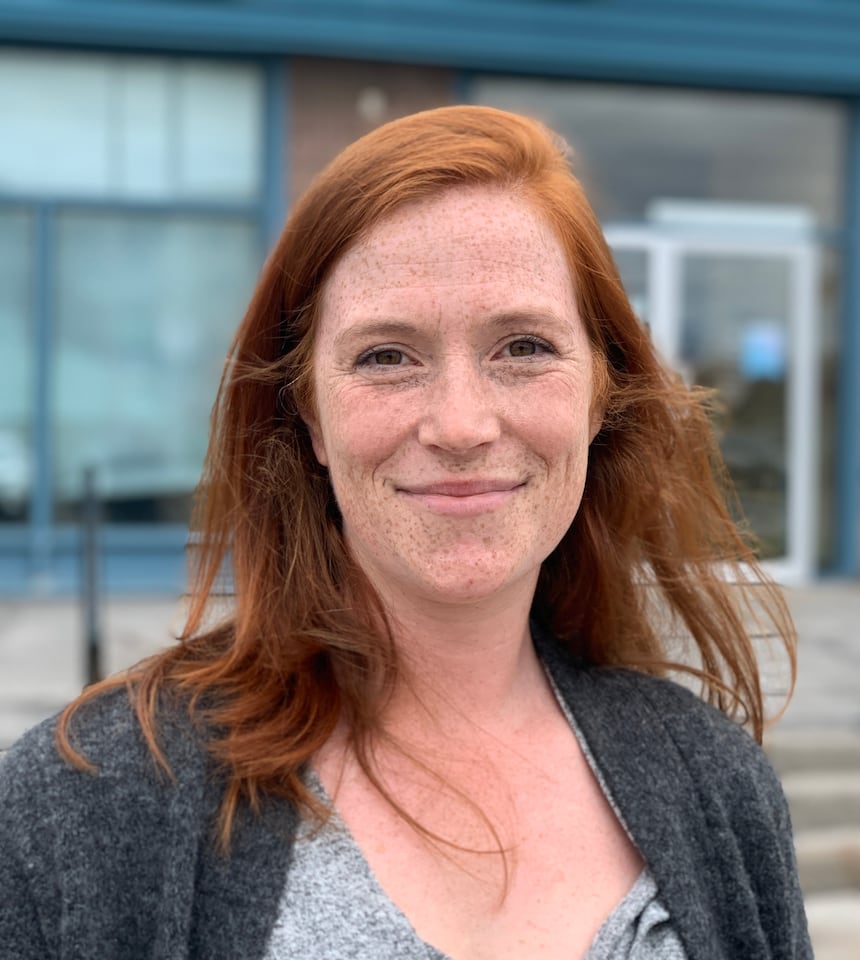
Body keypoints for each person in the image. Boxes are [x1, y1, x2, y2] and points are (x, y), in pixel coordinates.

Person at [0, 105, 807, 959]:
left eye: (524, 347)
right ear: (308, 416)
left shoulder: (719, 788)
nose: (461, 425)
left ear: (600, 393)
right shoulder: (83, 805)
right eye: (386, 356)